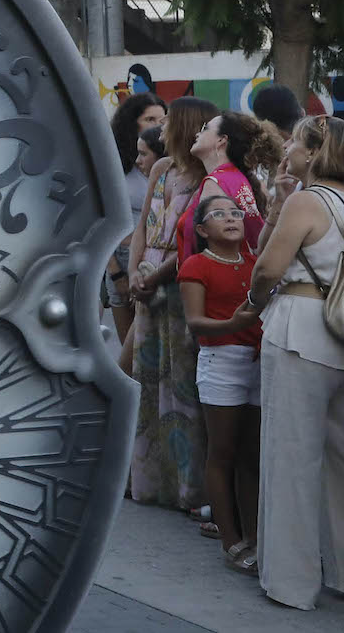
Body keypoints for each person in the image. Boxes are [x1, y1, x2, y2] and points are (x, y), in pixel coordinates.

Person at [246, 115, 344, 610]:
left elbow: (268, 267)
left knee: (291, 458)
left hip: (303, 333)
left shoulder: (305, 201)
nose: (287, 146)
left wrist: (254, 298)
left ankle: (290, 583)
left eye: (295, 140)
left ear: (314, 153)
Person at [125, 95, 219, 514]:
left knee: (181, 388)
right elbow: (143, 226)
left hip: (178, 288)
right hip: (147, 282)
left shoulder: (206, 181)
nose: (161, 129)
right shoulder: (161, 169)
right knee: (147, 385)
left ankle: (189, 488)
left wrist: (153, 276)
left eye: (168, 122)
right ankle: (148, 481)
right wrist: (133, 273)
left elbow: (193, 244)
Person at [178, 194, 263, 572]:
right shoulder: (196, 265)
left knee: (251, 455)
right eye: (218, 215)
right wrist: (231, 326)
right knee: (223, 451)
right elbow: (195, 321)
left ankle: (256, 537)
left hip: (258, 363)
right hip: (222, 360)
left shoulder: (256, 263)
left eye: (235, 212)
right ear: (202, 230)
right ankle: (230, 540)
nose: (230, 218)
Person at [107, 92, 167, 346]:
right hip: (120, 259)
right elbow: (98, 223)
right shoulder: (113, 164)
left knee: (157, 350)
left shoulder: (172, 164)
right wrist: (116, 274)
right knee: (129, 355)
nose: (158, 125)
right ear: (132, 123)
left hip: (159, 260)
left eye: (162, 119)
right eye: (149, 119)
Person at [178, 112, 277, 259]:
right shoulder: (235, 177)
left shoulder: (216, 183)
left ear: (221, 141)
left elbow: (210, 245)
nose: (198, 133)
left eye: (205, 128)